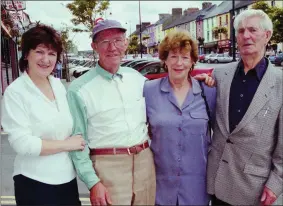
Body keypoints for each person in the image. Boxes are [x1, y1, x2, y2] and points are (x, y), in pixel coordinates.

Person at [66, 19, 156, 206]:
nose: (112, 47)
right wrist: (93, 183)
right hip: (108, 167)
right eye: (105, 42)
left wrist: (201, 81)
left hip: (145, 164)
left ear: (125, 43)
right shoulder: (79, 89)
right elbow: (77, 141)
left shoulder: (138, 78)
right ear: (94, 46)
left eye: (117, 40)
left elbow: (168, 97)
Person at [205, 9, 282, 206]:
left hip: (254, 188)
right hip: (216, 181)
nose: (245, 36)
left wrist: (276, 183)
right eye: (240, 31)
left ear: (267, 36)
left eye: (252, 30)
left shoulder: (280, 83)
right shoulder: (220, 75)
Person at [1, 24, 84, 206]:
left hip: (67, 179)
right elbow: (22, 143)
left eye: (52, 54)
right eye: (39, 51)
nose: (46, 59)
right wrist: (66, 145)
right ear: (26, 54)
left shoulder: (57, 85)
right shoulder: (16, 92)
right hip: (34, 183)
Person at [143, 29, 216, 205]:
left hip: (196, 189)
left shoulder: (208, 91)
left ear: (192, 62)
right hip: (160, 189)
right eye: (173, 56)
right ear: (165, 60)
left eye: (185, 57)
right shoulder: (148, 90)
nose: (179, 63)